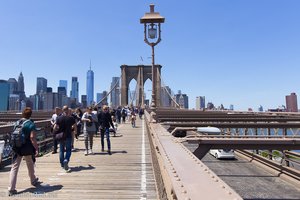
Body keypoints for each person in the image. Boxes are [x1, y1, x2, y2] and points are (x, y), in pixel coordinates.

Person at [8, 107, 39, 196]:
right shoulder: (31, 124)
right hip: (27, 148)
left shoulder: (17, 122)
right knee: (30, 163)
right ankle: (33, 180)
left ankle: (11, 188)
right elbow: (32, 137)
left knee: (14, 167)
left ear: (23, 114)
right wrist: (36, 148)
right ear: (30, 114)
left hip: (16, 147)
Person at [54, 105, 77, 172]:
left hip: (61, 136)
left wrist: (57, 130)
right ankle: (66, 160)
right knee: (68, 150)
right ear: (68, 110)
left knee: (61, 150)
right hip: (68, 136)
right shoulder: (71, 118)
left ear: (62, 110)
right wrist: (75, 133)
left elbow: (55, 127)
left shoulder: (58, 118)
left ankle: (62, 164)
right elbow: (74, 126)